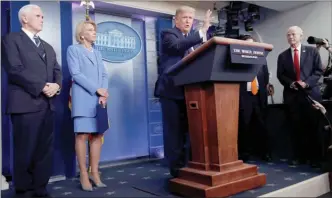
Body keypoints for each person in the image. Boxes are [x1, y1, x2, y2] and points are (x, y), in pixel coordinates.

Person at [1, 4, 62, 197]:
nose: (42, 19)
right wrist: (44, 86)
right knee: (25, 150)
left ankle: (40, 188)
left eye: (43, 16)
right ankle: (24, 190)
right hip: (25, 105)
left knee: (44, 151)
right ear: (24, 19)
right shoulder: (11, 39)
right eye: (38, 15)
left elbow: (57, 71)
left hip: (48, 105)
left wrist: (57, 86)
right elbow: (15, 69)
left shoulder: (48, 47)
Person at [154, 6, 212, 177]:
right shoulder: (168, 34)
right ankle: (176, 171)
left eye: (191, 18)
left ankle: (189, 165)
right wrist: (202, 30)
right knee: (174, 133)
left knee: (190, 131)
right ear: (176, 20)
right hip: (171, 91)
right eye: (185, 17)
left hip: (191, 91)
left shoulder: (193, 39)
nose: (188, 21)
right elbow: (178, 46)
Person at [67, 19, 109, 191]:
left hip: (99, 100)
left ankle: (95, 173)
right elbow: (75, 74)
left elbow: (105, 75)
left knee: (97, 136)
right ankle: (83, 174)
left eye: (94, 30)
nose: (94, 33)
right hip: (83, 98)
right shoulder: (73, 50)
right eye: (90, 30)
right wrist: (97, 89)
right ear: (82, 34)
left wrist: (104, 92)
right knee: (82, 135)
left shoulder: (97, 53)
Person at [277, 26, 323, 167]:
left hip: (310, 95)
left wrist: (306, 83)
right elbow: (281, 75)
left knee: (313, 126)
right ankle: (299, 157)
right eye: (288, 35)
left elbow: (318, 70)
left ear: (301, 36)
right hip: (292, 97)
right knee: (296, 128)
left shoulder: (312, 51)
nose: (290, 37)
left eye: (293, 34)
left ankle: (315, 159)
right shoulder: (282, 55)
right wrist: (291, 84)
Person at [237, 35, 273, 162]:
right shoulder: (236, 59)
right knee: (244, 125)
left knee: (262, 124)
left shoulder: (261, 58)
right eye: (247, 44)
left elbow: (266, 75)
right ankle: (244, 154)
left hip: (259, 95)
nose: (250, 46)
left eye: (252, 44)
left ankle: (265, 152)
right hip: (244, 96)